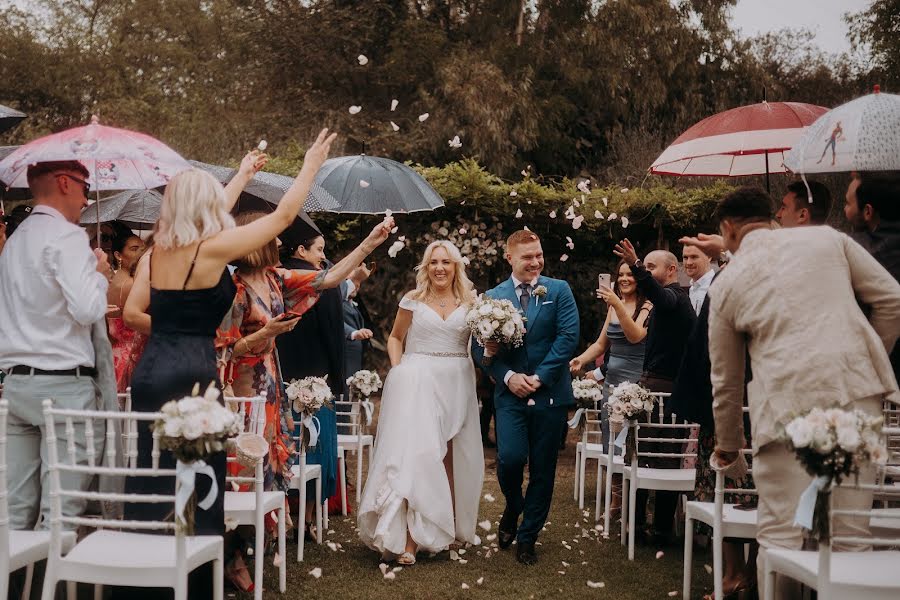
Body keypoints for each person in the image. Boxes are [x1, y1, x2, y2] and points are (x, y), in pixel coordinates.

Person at [121, 129, 339, 599]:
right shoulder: (212, 251)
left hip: (152, 370)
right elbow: (282, 216)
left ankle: (147, 582)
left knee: (153, 469)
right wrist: (310, 166)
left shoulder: (158, 252)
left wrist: (240, 175)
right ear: (207, 210)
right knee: (201, 476)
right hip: (195, 373)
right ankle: (196, 584)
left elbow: (135, 312)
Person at [706, 186, 900, 599]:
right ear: (771, 216)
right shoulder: (828, 239)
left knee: (780, 538)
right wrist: (863, 363)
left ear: (728, 230)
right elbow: (893, 300)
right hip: (855, 399)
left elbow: (726, 380)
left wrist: (728, 446)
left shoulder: (726, 284)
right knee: (849, 537)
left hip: (783, 412)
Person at [0, 160, 111, 530]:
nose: (86, 198)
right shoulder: (66, 237)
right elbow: (87, 309)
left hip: (15, 385)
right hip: (62, 385)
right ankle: (52, 587)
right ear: (65, 183)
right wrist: (99, 276)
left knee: (15, 511)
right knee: (61, 512)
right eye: (85, 186)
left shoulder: (15, 241)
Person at [358, 241, 484, 564]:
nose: (439, 268)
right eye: (433, 262)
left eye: (446, 262)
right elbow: (395, 338)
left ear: (456, 267)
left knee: (451, 458)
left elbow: (482, 346)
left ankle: (449, 528)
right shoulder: (412, 301)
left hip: (457, 383)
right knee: (420, 456)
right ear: (425, 268)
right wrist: (400, 372)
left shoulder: (471, 303)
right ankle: (410, 539)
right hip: (419, 382)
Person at [472, 230, 580, 565]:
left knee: (544, 469)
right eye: (527, 257)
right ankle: (514, 506)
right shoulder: (491, 297)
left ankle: (528, 536)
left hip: (550, 394)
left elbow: (567, 337)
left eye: (538, 255)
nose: (535, 262)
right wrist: (507, 375)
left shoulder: (559, 291)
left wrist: (539, 377)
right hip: (509, 395)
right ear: (509, 258)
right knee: (511, 459)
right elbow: (479, 347)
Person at [672, 235, 757, 599]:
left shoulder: (734, 280)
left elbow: (714, 349)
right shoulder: (729, 277)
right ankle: (736, 574)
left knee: (741, 490)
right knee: (724, 490)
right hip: (725, 401)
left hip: (742, 400)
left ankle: (744, 576)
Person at [612, 242, 695, 546]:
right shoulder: (665, 303)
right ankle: (637, 524)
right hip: (653, 386)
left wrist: (635, 264)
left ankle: (658, 528)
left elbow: (659, 295)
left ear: (672, 270)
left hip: (666, 392)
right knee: (643, 454)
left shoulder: (676, 298)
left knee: (663, 457)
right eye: (643, 266)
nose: (644, 272)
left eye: (650, 267)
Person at [275, 234, 345, 532]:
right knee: (316, 446)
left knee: (285, 444)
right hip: (316, 376)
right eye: (319, 249)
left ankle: (282, 515)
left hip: (279, 374)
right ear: (301, 249)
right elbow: (333, 332)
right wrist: (339, 376)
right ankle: (307, 518)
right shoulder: (322, 283)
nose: (322, 256)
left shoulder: (273, 279)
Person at [569, 259, 651, 515]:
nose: (625, 279)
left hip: (634, 382)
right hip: (611, 383)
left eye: (630, 275)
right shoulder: (613, 306)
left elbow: (635, 335)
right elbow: (601, 344)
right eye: (621, 274)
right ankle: (616, 501)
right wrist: (582, 358)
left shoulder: (648, 305)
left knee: (631, 442)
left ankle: (635, 502)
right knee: (610, 440)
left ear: (639, 278)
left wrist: (616, 304)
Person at [107, 231, 145, 391]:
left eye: (142, 249)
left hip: (114, 355)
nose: (140, 254)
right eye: (134, 249)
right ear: (118, 255)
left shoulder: (113, 280)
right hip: (130, 357)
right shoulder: (130, 285)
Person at [343, 263, 374, 391]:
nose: (356, 286)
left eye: (358, 283)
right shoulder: (338, 303)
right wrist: (354, 333)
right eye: (350, 282)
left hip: (355, 359)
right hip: (343, 358)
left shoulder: (354, 305)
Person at [682, 243, 713, 315]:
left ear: (709, 257)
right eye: (685, 257)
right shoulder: (692, 288)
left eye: (694, 257)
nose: (689, 262)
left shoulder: (715, 287)